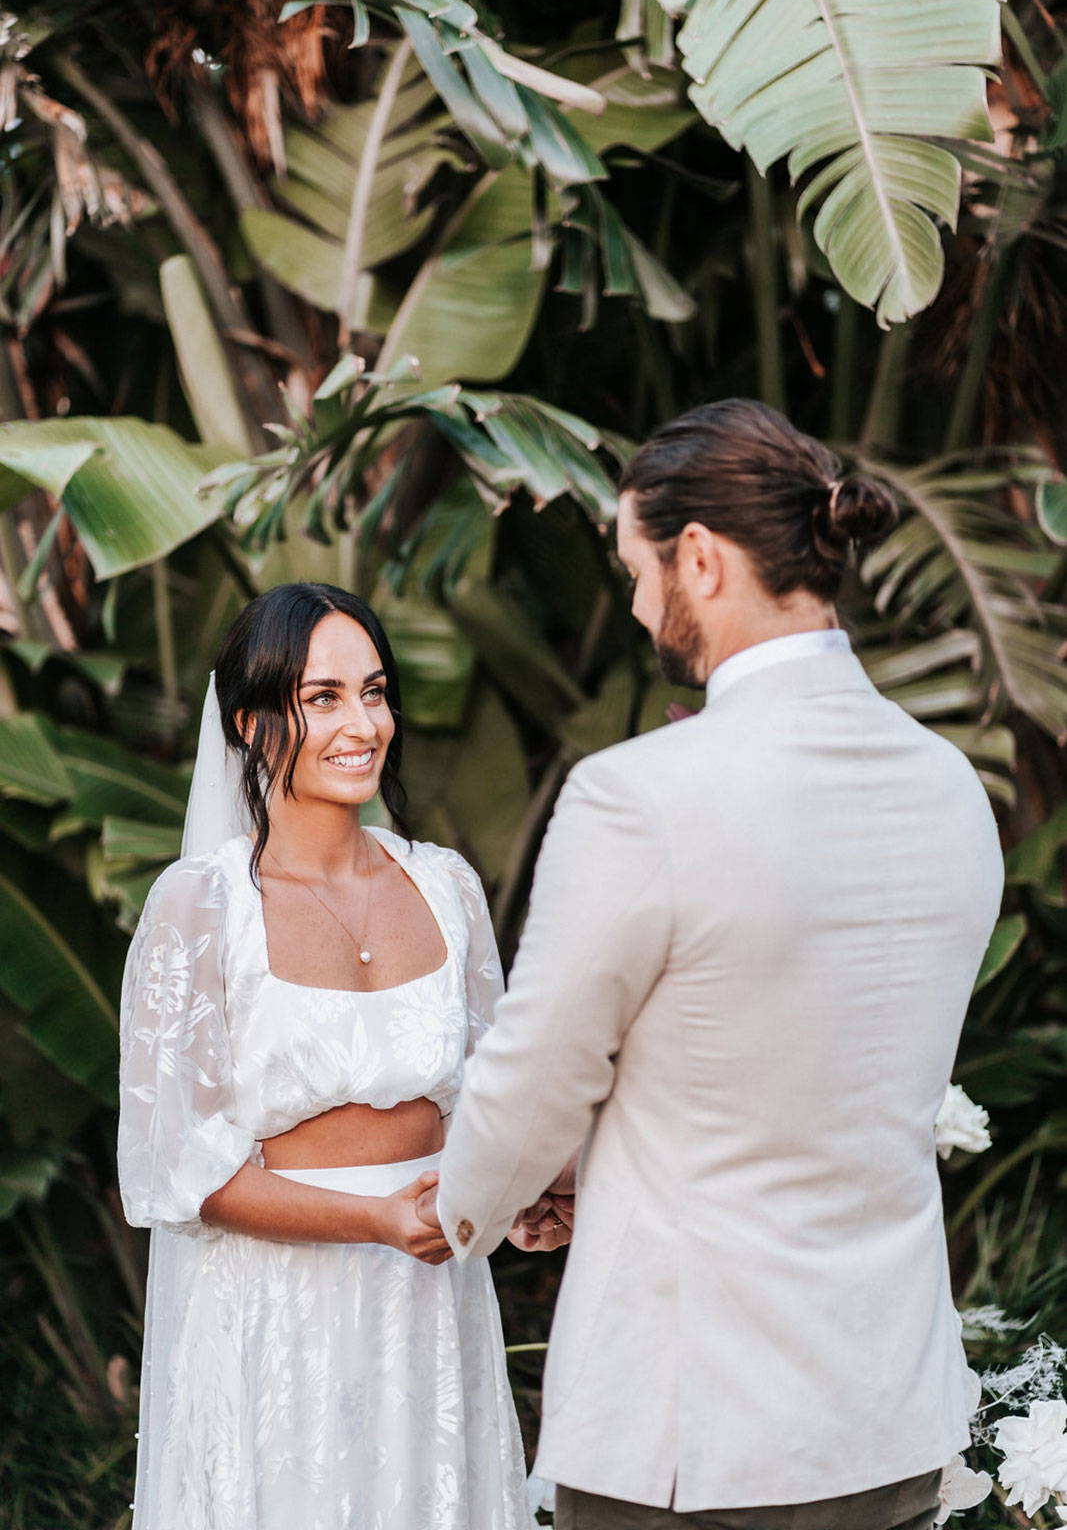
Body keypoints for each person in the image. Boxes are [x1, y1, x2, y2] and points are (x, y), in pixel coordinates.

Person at [426, 400, 1004, 1530]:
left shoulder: (638, 796)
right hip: (890, 1413)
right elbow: (803, 1065)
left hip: (697, 1434)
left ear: (698, 557)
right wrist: (599, 1175)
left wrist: (464, 1210)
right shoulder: (950, 788)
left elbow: (539, 1067)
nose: (637, 603)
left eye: (635, 566)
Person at [117, 583, 534, 1530]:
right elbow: (175, 1167)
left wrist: (527, 1192)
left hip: (430, 1305)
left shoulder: (446, 888)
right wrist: (376, 1219)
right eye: (324, 698)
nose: (364, 724)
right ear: (253, 724)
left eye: (376, 691)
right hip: (277, 1318)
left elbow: (491, 1103)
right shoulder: (202, 906)